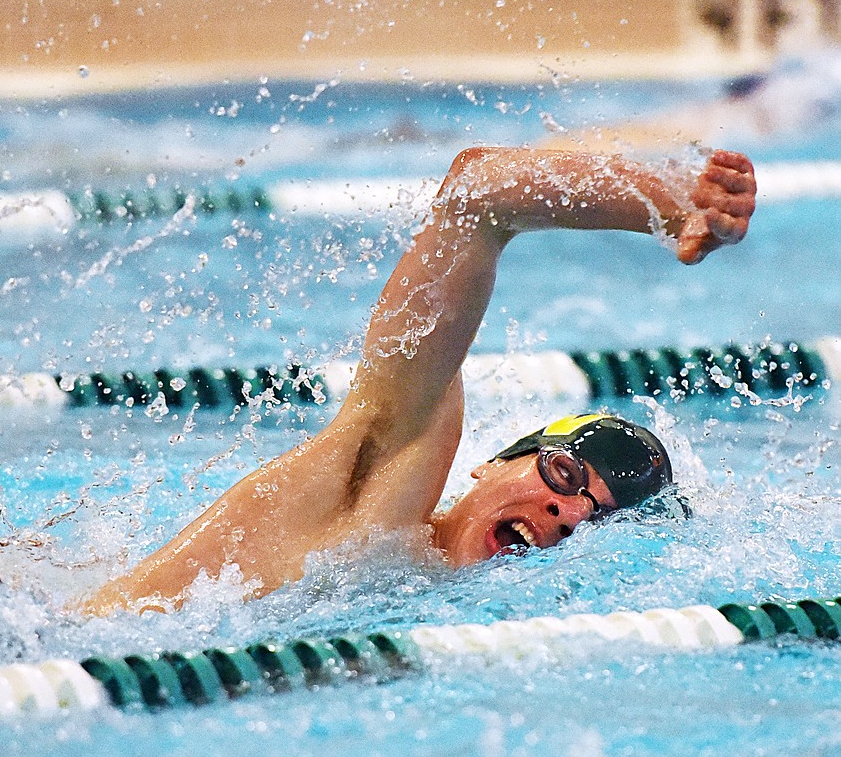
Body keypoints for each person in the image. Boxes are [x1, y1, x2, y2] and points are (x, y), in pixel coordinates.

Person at [81, 146, 756, 616]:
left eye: (596, 517)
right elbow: (478, 192)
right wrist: (666, 204)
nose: (569, 514)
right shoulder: (372, 502)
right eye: (563, 476)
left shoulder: (444, 604)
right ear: (491, 464)